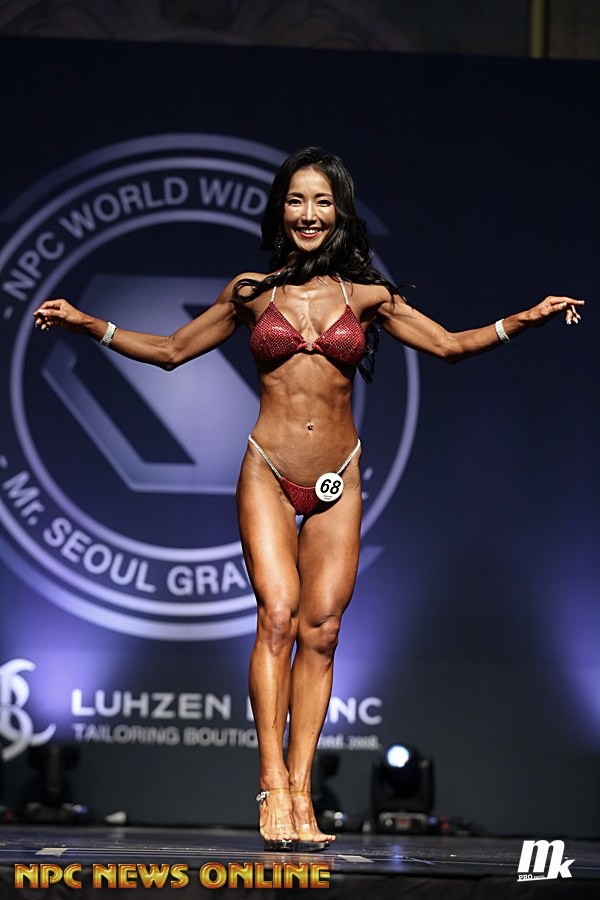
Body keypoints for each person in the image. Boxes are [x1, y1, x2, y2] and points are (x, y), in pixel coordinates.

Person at [33, 146, 583, 852]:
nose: (309, 213)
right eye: (296, 200)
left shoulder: (368, 297)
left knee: (321, 631)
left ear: (340, 212)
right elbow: (171, 351)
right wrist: (88, 324)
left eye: (322, 201)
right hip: (268, 469)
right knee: (278, 615)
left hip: (337, 478)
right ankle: (271, 783)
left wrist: (526, 318)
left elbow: (448, 346)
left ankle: (300, 789)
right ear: (281, 210)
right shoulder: (252, 292)